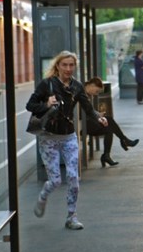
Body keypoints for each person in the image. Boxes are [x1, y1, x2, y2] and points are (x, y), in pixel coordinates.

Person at [26, 51, 106, 230]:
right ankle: (43, 196)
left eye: (71, 65)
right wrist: (46, 104)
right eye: (65, 65)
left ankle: (72, 216)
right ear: (58, 66)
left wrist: (98, 117)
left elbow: (88, 108)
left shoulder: (77, 87)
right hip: (48, 138)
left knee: (73, 177)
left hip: (69, 136)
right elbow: (30, 105)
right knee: (55, 181)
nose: (68, 69)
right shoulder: (47, 85)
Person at [83, 77, 139, 167]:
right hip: (83, 124)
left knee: (109, 124)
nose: (96, 94)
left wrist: (98, 115)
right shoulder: (82, 94)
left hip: (88, 121)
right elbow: (85, 112)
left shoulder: (87, 94)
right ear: (92, 86)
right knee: (109, 125)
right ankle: (123, 141)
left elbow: (89, 110)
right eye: (96, 91)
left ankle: (109, 153)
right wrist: (98, 116)